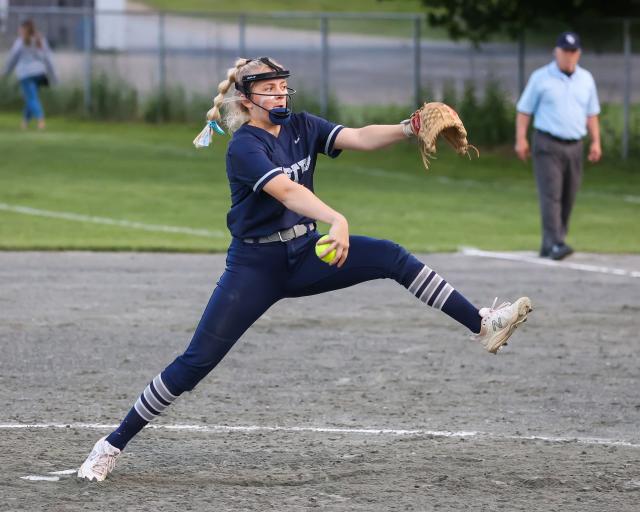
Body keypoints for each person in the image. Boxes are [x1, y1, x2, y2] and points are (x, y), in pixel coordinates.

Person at [77, 57, 532, 481]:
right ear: (245, 100)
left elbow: (357, 137)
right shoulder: (244, 147)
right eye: (269, 90)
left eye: (282, 89)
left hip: (306, 255)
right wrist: (336, 219)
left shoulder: (301, 126)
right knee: (195, 363)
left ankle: (481, 323)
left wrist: (407, 127)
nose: (279, 97)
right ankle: (111, 445)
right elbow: (288, 194)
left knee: (392, 256)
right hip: (255, 267)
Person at [515, 31, 601, 260]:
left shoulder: (586, 79)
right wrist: (521, 138)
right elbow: (524, 110)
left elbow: (592, 114)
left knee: (568, 195)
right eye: (565, 51)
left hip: (575, 145)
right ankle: (556, 243)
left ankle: (550, 243)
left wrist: (596, 142)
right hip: (547, 144)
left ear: (578, 53)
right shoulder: (541, 78)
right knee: (551, 194)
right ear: (557, 52)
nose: (569, 56)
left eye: (573, 51)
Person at [1, 19, 57, 130]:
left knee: (31, 98)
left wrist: (5, 73)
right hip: (40, 73)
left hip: (25, 75)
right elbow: (48, 59)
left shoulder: (20, 42)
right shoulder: (40, 40)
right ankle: (25, 122)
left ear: (23, 29)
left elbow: (12, 59)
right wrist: (53, 76)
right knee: (31, 97)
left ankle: (40, 119)